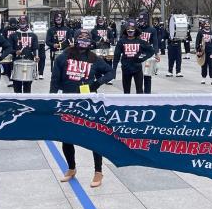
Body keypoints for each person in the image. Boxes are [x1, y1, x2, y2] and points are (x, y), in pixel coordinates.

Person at [52, 30, 114, 187]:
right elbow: (54, 79)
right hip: (68, 101)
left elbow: (110, 72)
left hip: (88, 102)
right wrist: (51, 99)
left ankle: (98, 171)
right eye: (81, 38)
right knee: (66, 138)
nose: (84, 41)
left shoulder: (94, 58)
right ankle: (71, 168)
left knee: (94, 137)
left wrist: (96, 83)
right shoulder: (63, 56)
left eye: (87, 38)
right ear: (75, 39)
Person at [113, 20, 154, 94]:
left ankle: (139, 105)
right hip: (126, 69)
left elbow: (151, 50)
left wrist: (142, 57)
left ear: (135, 30)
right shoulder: (121, 41)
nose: (130, 31)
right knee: (126, 91)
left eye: (132, 30)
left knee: (139, 91)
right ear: (125, 30)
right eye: (128, 30)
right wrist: (114, 70)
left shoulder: (140, 41)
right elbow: (116, 56)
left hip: (137, 69)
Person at [10, 16, 39, 93]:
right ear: (18, 23)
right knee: (17, 86)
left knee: (27, 86)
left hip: (29, 63)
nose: (22, 23)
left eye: (24, 21)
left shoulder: (33, 35)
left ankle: (26, 102)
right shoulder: (13, 35)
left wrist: (36, 56)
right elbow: (9, 48)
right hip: (16, 62)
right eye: (21, 22)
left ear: (27, 22)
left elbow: (35, 48)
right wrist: (15, 52)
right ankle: (17, 103)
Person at [136, 11, 160, 92]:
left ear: (146, 20)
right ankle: (139, 95)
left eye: (142, 20)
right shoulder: (136, 29)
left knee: (147, 75)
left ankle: (147, 94)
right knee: (138, 76)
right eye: (140, 20)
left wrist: (156, 53)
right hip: (137, 54)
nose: (141, 22)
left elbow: (155, 42)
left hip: (148, 55)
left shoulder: (152, 30)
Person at [196, 20, 212, 85]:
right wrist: (198, 51)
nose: (207, 26)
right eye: (206, 25)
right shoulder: (200, 32)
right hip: (203, 51)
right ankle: (203, 78)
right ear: (204, 25)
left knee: (211, 65)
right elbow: (197, 42)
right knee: (204, 64)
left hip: (210, 51)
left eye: (208, 25)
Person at [1, 17, 19, 87]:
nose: (13, 25)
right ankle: (9, 78)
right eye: (12, 24)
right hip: (7, 48)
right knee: (7, 64)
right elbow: (3, 38)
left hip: (15, 49)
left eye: (14, 24)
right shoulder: (6, 29)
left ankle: (14, 78)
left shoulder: (17, 29)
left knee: (14, 64)